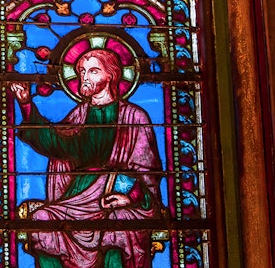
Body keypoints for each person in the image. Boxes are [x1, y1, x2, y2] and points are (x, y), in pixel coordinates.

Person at [10, 49, 162, 268]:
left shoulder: (135, 117)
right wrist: (26, 105)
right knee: (42, 220)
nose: (85, 77)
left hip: (115, 194)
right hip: (78, 196)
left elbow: (148, 174)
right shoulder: (79, 115)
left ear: (110, 75)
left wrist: (130, 198)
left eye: (93, 71)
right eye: (81, 71)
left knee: (118, 226)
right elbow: (56, 143)